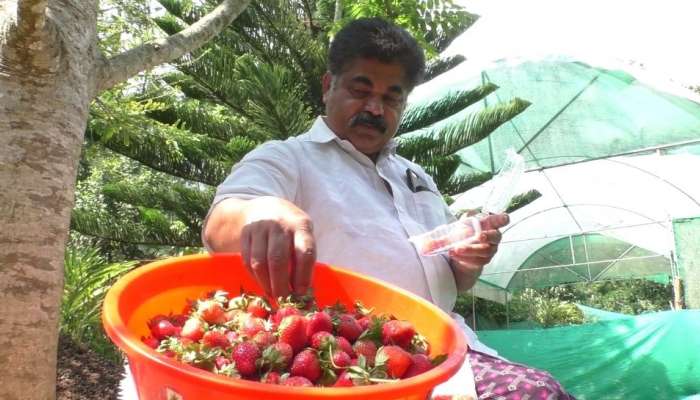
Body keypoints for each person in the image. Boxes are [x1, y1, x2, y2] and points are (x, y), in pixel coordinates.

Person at [203, 17, 575, 400]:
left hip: (445, 349)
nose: (375, 109)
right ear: (329, 87)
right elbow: (223, 221)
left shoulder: (416, 176)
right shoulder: (288, 158)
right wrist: (262, 211)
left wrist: (467, 260)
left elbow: (451, 279)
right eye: (360, 90)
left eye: (391, 98)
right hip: (347, 362)